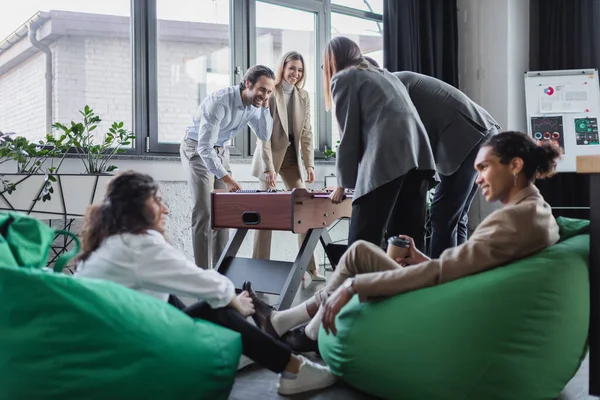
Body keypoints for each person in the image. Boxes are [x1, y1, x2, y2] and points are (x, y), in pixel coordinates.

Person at [245, 131, 561, 348]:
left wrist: (356, 286)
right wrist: (420, 258)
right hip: (456, 291)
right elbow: (463, 266)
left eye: (484, 168)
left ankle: (306, 336)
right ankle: (289, 324)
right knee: (361, 253)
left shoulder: (512, 220)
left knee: (358, 256)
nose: (477, 178)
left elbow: (443, 274)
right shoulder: (536, 211)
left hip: (445, 304)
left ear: (515, 165)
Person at [74, 171, 337, 396]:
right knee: (218, 308)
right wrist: (237, 302)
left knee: (178, 301)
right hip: (133, 351)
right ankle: (293, 368)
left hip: (114, 344)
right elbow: (213, 287)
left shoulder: (106, 243)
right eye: (157, 201)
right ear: (136, 207)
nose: (165, 209)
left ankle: (275, 330)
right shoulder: (140, 244)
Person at [363, 57, 501, 256]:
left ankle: (440, 278)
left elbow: (399, 136)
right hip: (481, 133)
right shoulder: (400, 82)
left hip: (470, 136)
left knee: (442, 216)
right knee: (456, 216)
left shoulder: (395, 84)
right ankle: (456, 274)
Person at [324, 36, 437, 249]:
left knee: (362, 241)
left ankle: (360, 283)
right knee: (406, 240)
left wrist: (342, 183)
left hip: (386, 158)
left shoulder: (344, 78)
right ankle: (413, 283)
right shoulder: (386, 75)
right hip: (419, 157)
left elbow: (348, 134)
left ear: (333, 59)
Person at [180, 65, 276, 269]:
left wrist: (266, 105)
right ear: (248, 83)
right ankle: (203, 274)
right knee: (204, 212)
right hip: (197, 149)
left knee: (222, 214)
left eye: (269, 92)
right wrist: (228, 178)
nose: (264, 95)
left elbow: (265, 135)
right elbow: (204, 147)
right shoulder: (220, 102)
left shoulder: (255, 105)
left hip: (220, 150)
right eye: (262, 90)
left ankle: (220, 271)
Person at [250, 51, 325, 281]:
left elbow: (306, 132)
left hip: (292, 159)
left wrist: (310, 164)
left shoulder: (304, 96)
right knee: (265, 214)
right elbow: (263, 135)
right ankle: (259, 268)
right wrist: (268, 168)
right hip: (269, 157)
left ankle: (309, 268)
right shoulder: (272, 91)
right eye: (292, 68)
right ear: (283, 67)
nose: (295, 73)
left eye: (300, 70)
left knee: (303, 207)